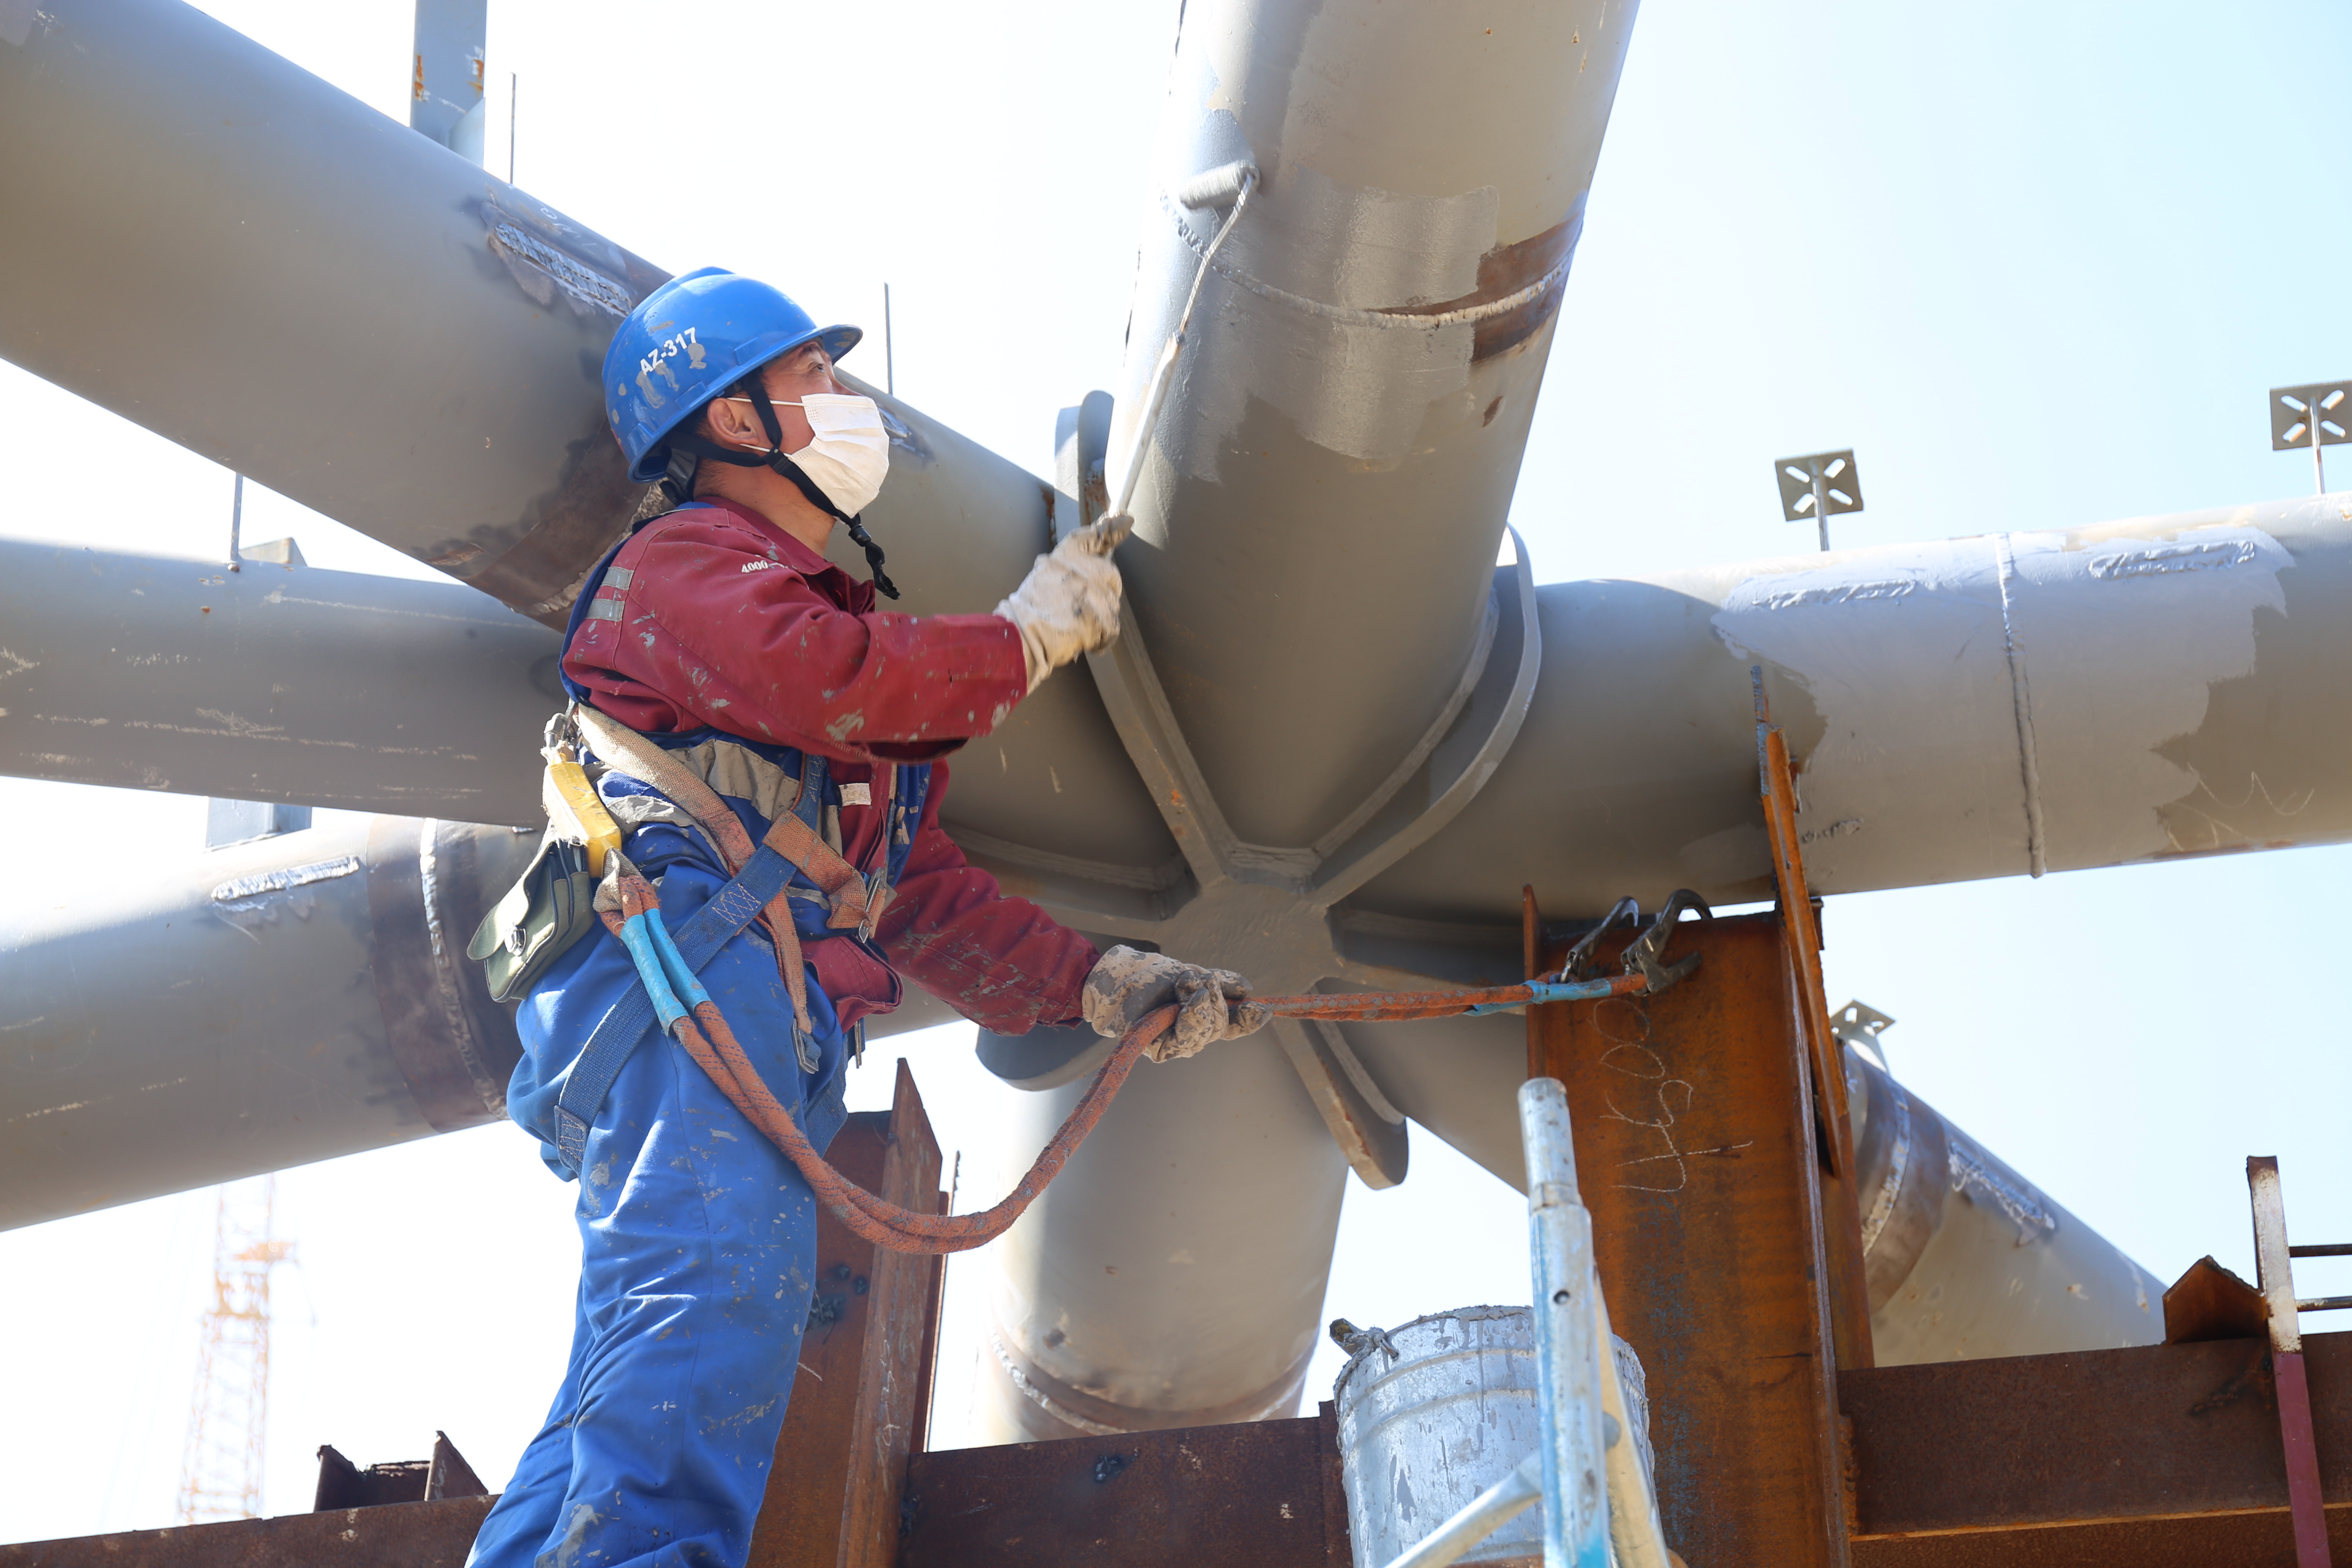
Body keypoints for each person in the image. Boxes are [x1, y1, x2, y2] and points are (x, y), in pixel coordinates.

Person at [466, 267, 1268, 1568]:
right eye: (815, 380)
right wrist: (1022, 641)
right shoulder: (684, 570)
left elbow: (912, 892)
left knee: (651, 1338)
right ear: (736, 423)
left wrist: (1100, 984)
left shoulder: (814, 663)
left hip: (730, 1000)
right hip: (686, 984)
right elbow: (839, 682)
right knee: (703, 1309)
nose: (847, 401)